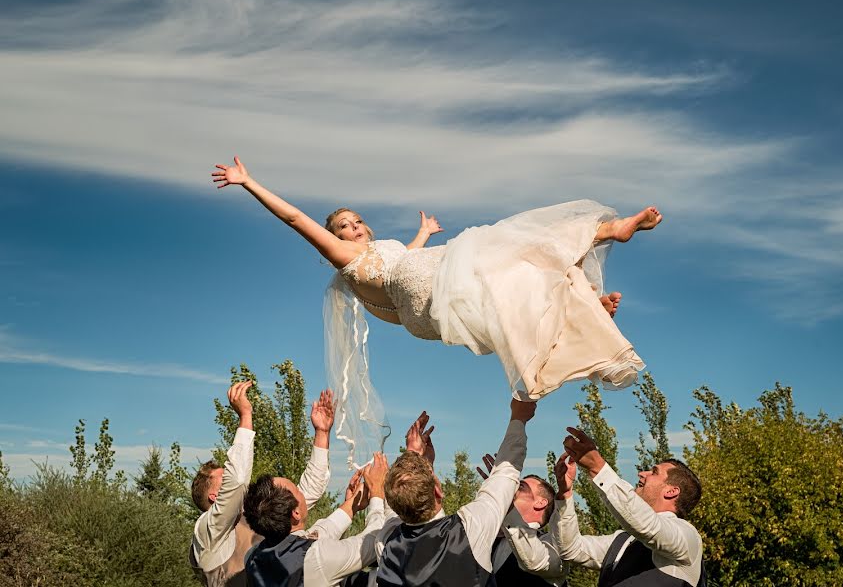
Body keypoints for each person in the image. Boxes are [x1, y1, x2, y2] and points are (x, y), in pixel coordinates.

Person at [213, 157, 659, 465]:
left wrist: (423, 233)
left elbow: (403, 266)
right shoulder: (344, 259)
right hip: (424, 287)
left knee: (519, 275)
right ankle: (601, 243)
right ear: (334, 238)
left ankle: (582, 302)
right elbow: (295, 219)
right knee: (510, 249)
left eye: (356, 221)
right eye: (342, 226)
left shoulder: (381, 255)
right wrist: (248, 182)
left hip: (425, 285)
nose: (353, 227)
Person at [374, 399, 537, 586]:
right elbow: (506, 472)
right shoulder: (469, 530)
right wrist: (519, 417)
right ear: (438, 490)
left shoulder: (385, 542)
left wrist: (415, 457)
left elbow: (401, 496)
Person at [189, 383, 336, 586]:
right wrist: (245, 416)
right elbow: (238, 481)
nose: (232, 477)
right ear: (214, 497)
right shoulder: (207, 530)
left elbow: (304, 495)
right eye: (225, 479)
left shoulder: (259, 516)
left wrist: (322, 432)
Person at [551, 427, 704, 586]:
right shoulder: (622, 541)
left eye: (654, 472)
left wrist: (597, 467)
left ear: (671, 491)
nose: (642, 473)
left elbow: (648, 526)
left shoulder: (687, 537)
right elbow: (571, 550)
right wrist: (565, 494)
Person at [242, 453, 389, 587]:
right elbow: (372, 540)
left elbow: (316, 535)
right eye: (297, 490)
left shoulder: (253, 556)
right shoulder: (315, 559)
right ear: (296, 513)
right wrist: (377, 492)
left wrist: (351, 505)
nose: (301, 492)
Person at [476, 455, 569, 586]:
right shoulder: (490, 541)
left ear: (541, 503)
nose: (512, 487)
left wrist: (505, 498)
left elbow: (533, 560)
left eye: (521, 486)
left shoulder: (552, 547)